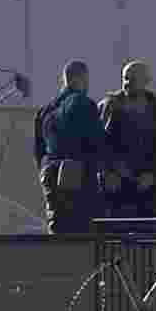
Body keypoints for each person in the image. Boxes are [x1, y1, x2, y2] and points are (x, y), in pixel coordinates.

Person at [98, 61, 156, 225]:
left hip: (147, 194)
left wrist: (155, 176)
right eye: (125, 78)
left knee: (147, 245)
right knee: (113, 244)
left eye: (133, 79)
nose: (127, 83)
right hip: (115, 193)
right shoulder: (106, 108)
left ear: (146, 81)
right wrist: (105, 174)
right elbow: (92, 145)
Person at [33, 60, 108, 233]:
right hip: (78, 178)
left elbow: (39, 151)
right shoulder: (83, 103)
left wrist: (47, 172)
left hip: (50, 176)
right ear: (81, 78)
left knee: (58, 229)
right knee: (84, 232)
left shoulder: (45, 111)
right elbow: (97, 142)